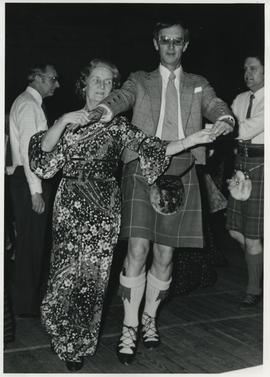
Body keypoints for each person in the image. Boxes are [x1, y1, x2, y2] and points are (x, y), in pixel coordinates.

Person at [29, 58, 217, 371]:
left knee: (93, 279)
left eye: (108, 82)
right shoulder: (70, 119)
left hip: (105, 208)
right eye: (96, 80)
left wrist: (192, 140)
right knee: (65, 275)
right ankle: (61, 332)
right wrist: (62, 121)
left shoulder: (117, 125)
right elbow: (42, 158)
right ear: (85, 84)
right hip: (70, 205)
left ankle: (78, 344)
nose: (102, 86)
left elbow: (153, 147)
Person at [86, 20, 235, 365]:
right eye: (164, 40)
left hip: (181, 170)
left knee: (165, 255)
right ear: (155, 44)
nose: (170, 46)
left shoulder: (199, 84)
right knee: (138, 248)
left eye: (177, 41)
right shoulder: (140, 80)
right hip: (141, 168)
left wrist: (225, 118)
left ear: (185, 45)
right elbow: (120, 98)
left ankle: (150, 318)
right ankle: (129, 326)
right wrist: (103, 110)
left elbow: (215, 105)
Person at [8, 62, 60, 316]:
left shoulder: (28, 103)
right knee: (30, 244)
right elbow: (30, 152)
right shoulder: (29, 105)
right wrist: (35, 191)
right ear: (38, 78)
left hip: (25, 180)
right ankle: (24, 306)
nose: (57, 84)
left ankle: (24, 303)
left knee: (30, 243)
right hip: (30, 181)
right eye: (53, 79)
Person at [226, 52, 264, 309]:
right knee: (234, 230)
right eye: (244, 69)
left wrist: (223, 128)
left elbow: (245, 128)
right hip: (241, 165)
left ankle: (254, 288)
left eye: (253, 68)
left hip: (263, 167)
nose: (247, 74)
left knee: (252, 237)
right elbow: (232, 127)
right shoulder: (239, 99)